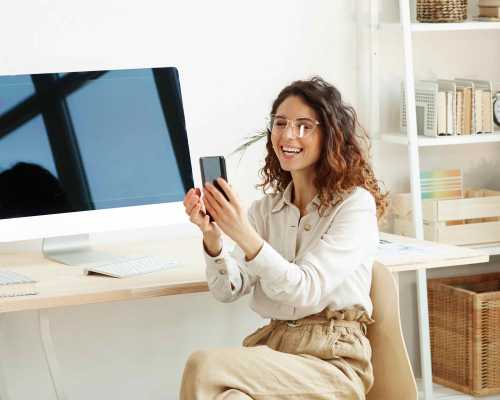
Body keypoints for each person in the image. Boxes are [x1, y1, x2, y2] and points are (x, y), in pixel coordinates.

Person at [180, 77, 388, 400]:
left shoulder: (354, 205)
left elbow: (304, 289)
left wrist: (246, 236)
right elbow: (226, 289)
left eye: (304, 126)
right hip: (278, 350)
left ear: (329, 135)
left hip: (333, 361)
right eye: (281, 124)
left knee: (202, 366)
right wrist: (214, 237)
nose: (289, 135)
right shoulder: (268, 210)